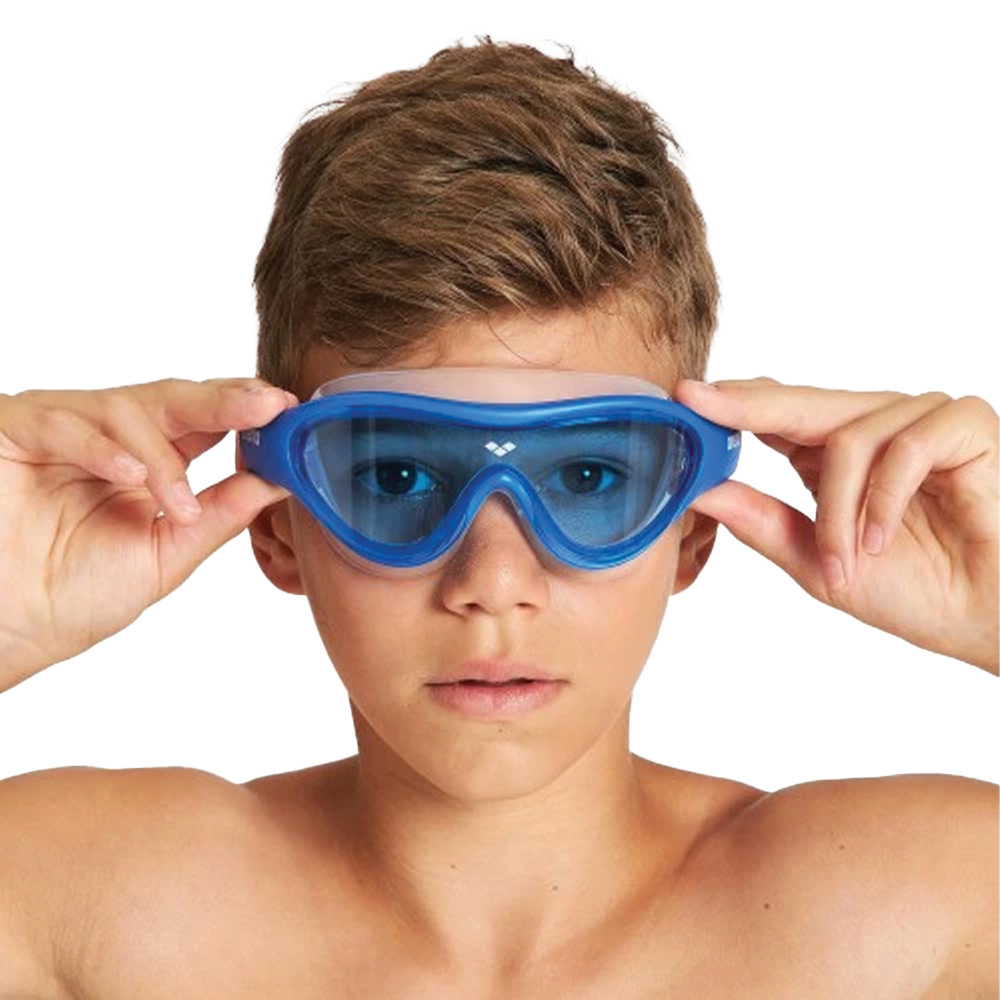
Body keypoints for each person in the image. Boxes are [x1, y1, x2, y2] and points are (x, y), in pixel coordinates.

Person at [0, 39, 996, 998]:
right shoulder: (88, 899)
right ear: (278, 523)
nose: (493, 582)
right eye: (396, 475)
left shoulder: (907, 909)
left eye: (590, 474)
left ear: (689, 528)